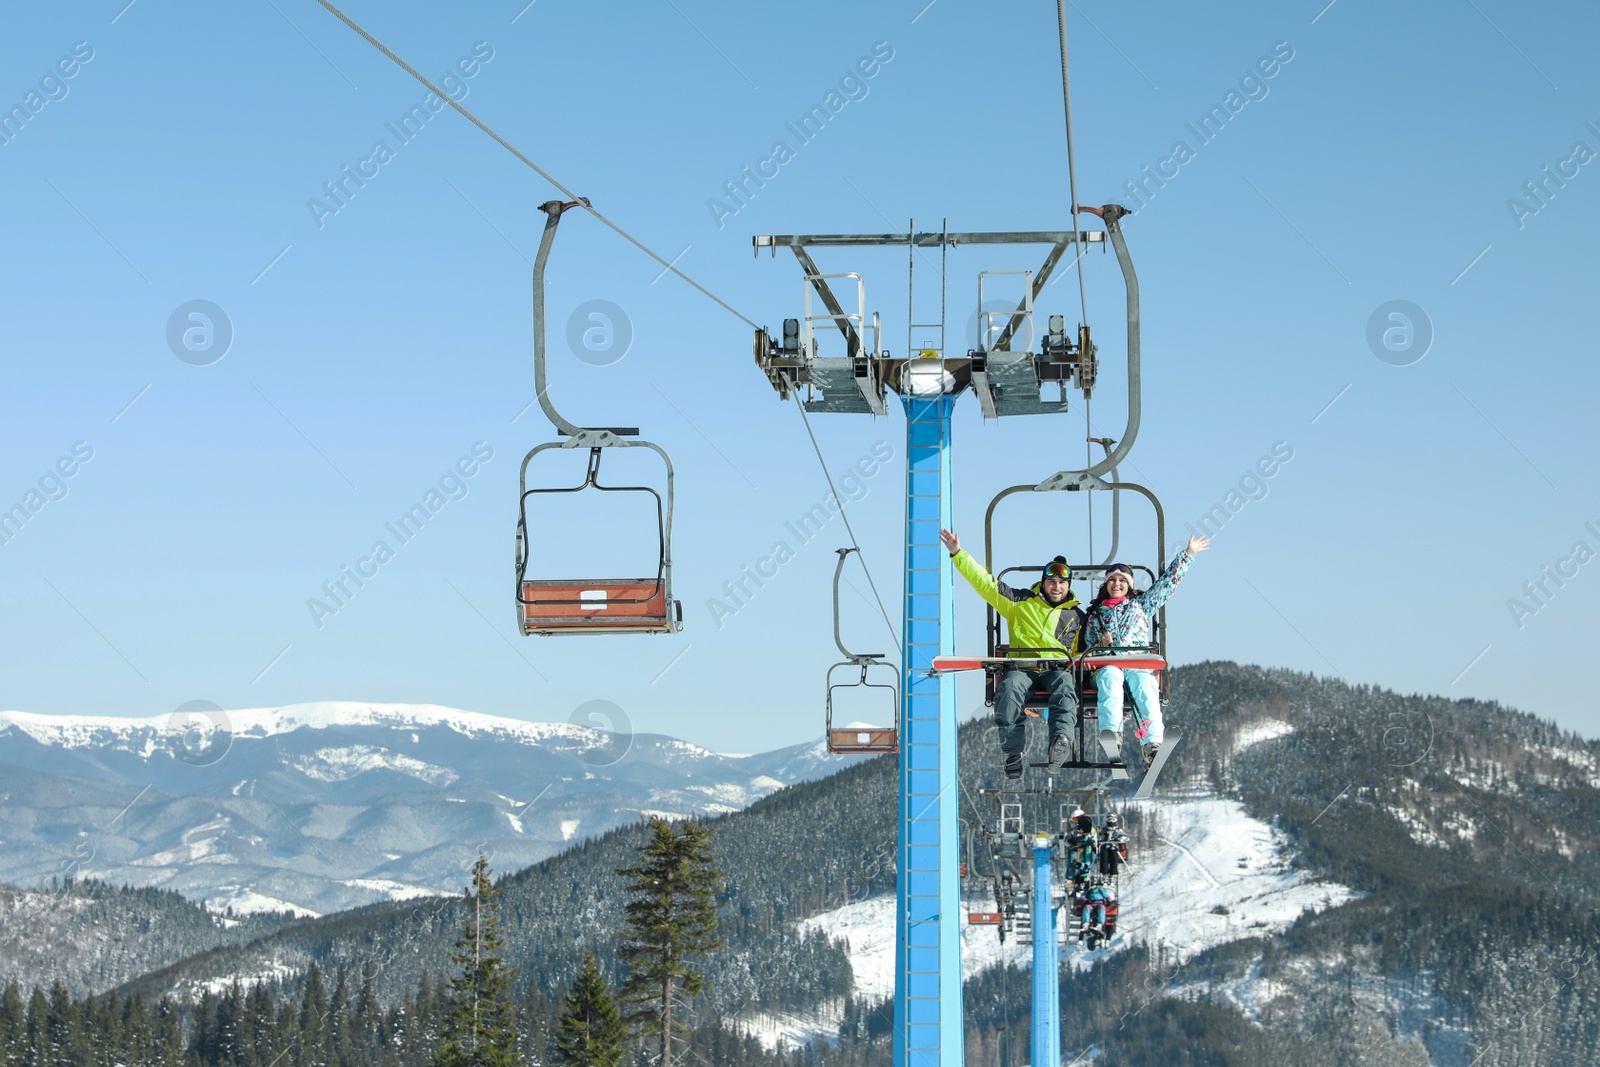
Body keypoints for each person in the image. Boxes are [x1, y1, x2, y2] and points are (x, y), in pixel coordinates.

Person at [940, 528, 1085, 779]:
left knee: (1065, 687)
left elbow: (1084, 650)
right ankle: (1012, 753)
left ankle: (1060, 741)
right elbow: (985, 583)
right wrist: (958, 553)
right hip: (1024, 668)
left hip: (1056, 669)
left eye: (1062, 583)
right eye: (1052, 582)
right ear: (1044, 582)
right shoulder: (1019, 602)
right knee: (1008, 690)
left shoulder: (1077, 616)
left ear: (1068, 586)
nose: (1056, 587)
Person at [1083, 534, 1211, 770]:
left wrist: (1188, 555)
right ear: (1106, 584)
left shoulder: (1141, 605)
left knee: (1145, 687)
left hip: (1136, 663)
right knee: (1111, 678)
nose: (1117, 583)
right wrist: (1101, 644)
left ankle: (1152, 743)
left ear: (1129, 584)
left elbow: (1167, 585)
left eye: (1122, 580)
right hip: (1108, 665)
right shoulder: (1095, 614)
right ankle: (1112, 735)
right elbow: (1087, 648)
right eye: (1112, 579)